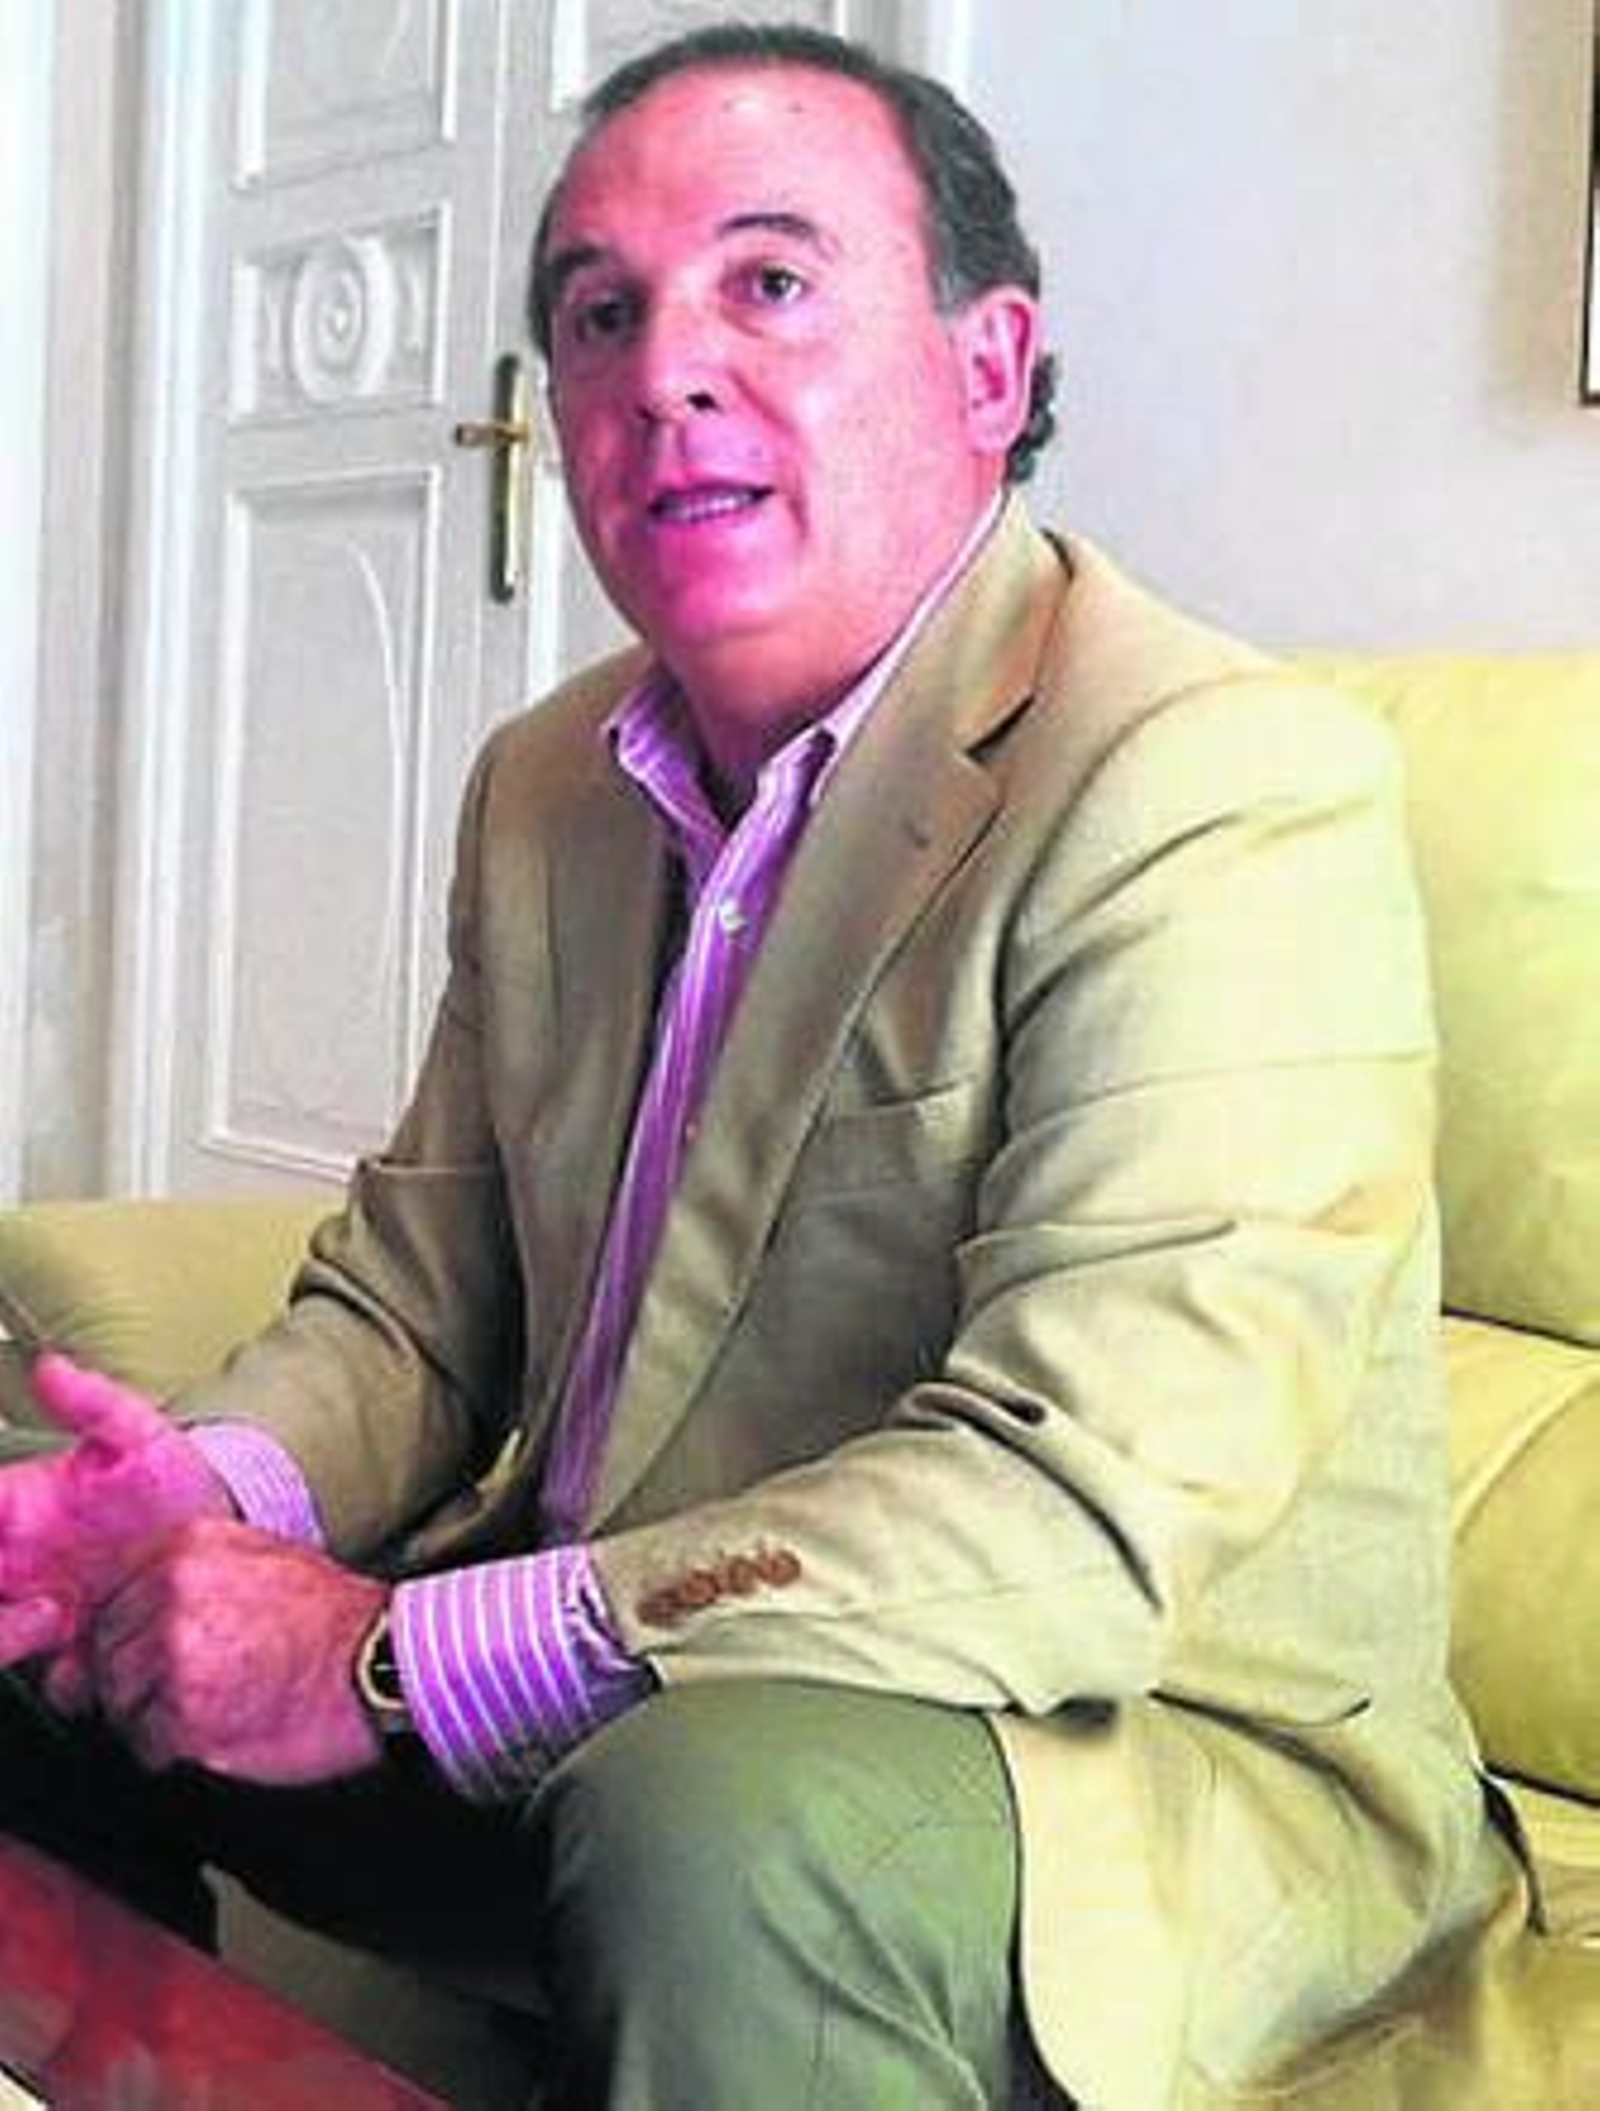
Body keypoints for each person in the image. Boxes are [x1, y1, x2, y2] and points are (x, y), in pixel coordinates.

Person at [0, 22, 1524, 2108]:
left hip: (1118, 1752)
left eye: (771, 282)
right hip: (632, 1675)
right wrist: (200, 1500)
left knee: (708, 1816)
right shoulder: (548, 784)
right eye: (599, 315)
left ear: (987, 367)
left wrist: (376, 1658)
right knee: (48, 1598)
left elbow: (1074, 1509)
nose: (666, 374)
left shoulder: (1206, 787)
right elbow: (414, 1313)